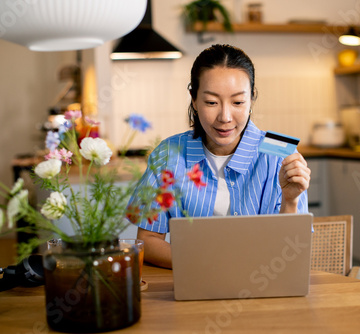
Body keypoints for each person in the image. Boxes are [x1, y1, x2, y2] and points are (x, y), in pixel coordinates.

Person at [129, 44, 311, 269]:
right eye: (211, 102)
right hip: (192, 283)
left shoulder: (280, 156)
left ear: (252, 99)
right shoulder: (168, 154)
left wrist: (291, 200)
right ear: (194, 99)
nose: (225, 117)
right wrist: (207, 265)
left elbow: (290, 253)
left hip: (262, 286)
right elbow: (147, 240)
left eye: (237, 102)